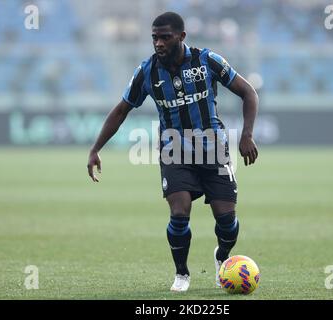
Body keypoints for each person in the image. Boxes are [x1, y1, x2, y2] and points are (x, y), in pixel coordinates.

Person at [87, 12, 258, 292]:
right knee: (179, 213)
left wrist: (247, 135)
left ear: (181, 36)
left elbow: (249, 92)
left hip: (214, 149)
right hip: (174, 151)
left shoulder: (208, 61)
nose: (158, 43)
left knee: (227, 222)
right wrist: (95, 148)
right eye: (154, 37)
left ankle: (222, 257)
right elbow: (121, 110)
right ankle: (182, 274)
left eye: (165, 37)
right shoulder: (147, 71)